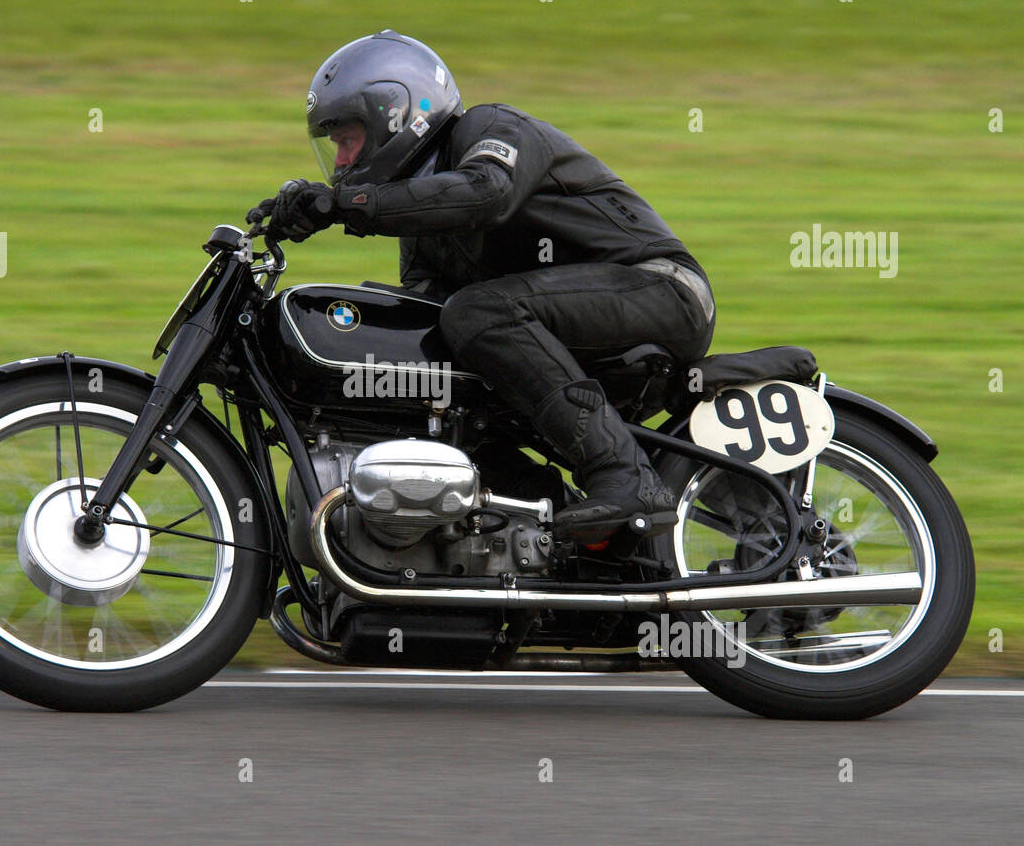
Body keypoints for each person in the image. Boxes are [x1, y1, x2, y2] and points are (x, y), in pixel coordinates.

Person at [247, 29, 715, 540]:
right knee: (435, 391)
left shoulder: (489, 127)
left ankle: (628, 480)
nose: (339, 162)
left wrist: (344, 206)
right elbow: (425, 310)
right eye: (334, 145)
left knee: (479, 312)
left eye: (348, 139)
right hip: (560, 330)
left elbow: (486, 193)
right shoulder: (422, 225)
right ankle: (560, 538)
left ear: (397, 115)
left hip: (661, 290)